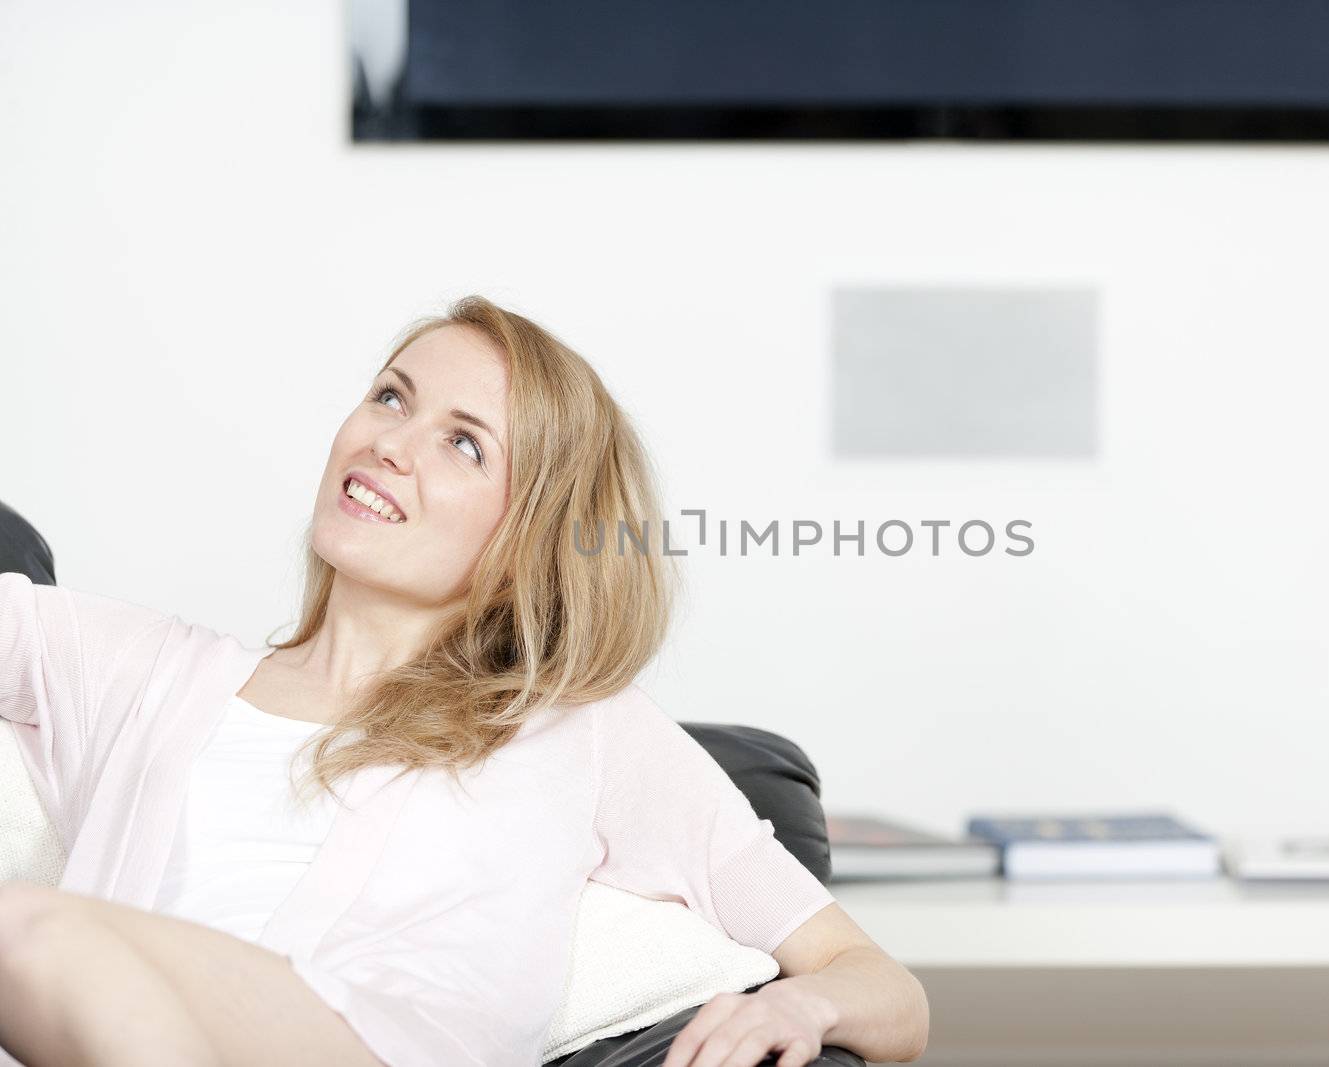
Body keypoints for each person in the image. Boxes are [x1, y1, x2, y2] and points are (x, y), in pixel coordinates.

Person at [0, 295, 930, 1067]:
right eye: (391, 397)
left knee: (33, 933)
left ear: (526, 539)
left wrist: (802, 1012)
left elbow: (879, 981)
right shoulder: (141, 667)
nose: (391, 444)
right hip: (109, 1022)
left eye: (465, 443)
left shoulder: (579, 732)